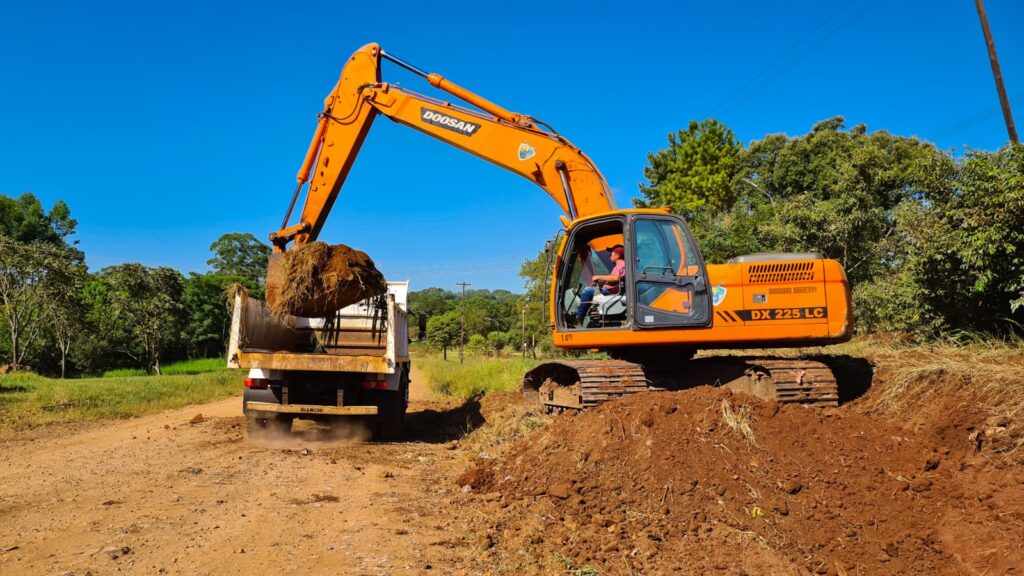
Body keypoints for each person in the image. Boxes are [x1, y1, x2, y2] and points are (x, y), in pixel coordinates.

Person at [576, 245, 626, 325]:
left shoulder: (622, 265)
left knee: (587, 291)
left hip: (612, 292)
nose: (610, 256)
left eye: (612, 254)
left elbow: (616, 278)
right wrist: (601, 283)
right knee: (591, 290)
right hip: (611, 290)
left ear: (617, 255)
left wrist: (598, 276)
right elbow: (613, 281)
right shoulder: (618, 266)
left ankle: (579, 317)